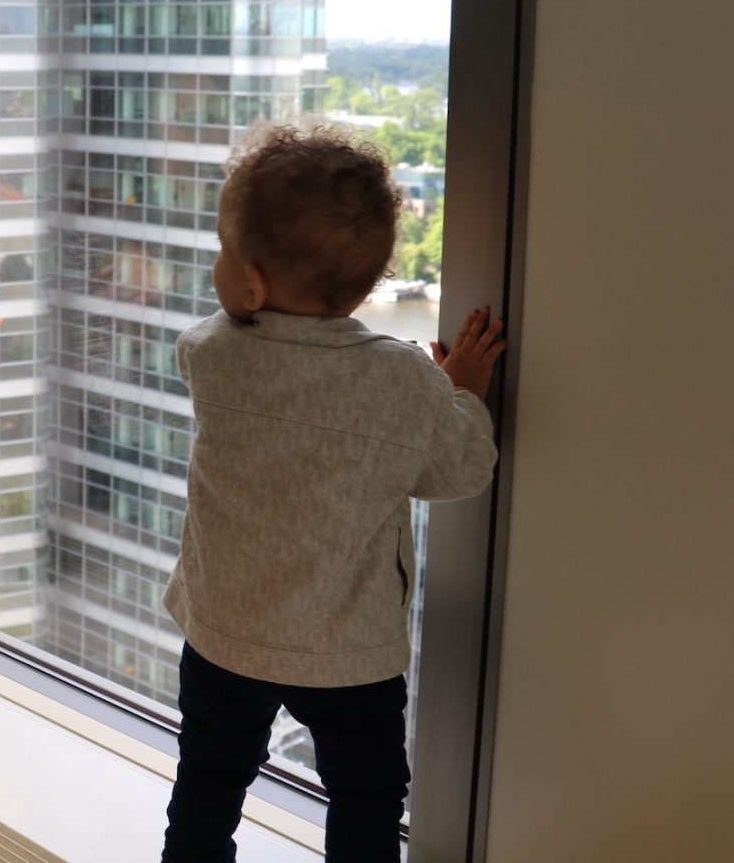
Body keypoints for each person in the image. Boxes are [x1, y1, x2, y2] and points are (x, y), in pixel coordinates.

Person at [159, 124, 505, 863]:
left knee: (208, 787)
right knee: (367, 799)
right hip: (351, 655)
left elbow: (209, 341)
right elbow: (461, 470)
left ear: (251, 283)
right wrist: (464, 393)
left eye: (225, 254)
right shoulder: (403, 379)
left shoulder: (211, 354)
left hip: (225, 635)